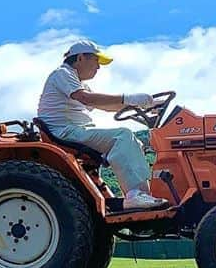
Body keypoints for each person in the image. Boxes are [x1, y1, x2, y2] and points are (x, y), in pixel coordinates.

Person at [36, 39, 167, 211]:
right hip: (66, 132)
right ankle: (136, 195)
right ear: (81, 57)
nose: (98, 67)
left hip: (76, 130)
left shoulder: (79, 83)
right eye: (96, 61)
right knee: (123, 136)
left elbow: (105, 106)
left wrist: (146, 105)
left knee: (134, 143)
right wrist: (129, 98)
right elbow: (87, 99)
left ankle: (139, 194)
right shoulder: (62, 74)